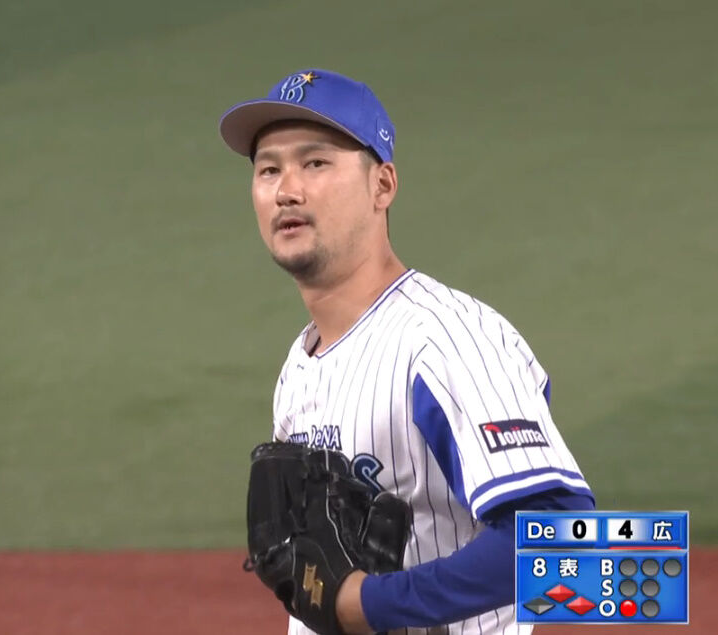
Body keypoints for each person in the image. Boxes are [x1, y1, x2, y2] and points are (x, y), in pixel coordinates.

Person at [219, 69, 596, 634]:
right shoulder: (300, 363)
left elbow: (561, 538)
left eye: (315, 163)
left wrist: (369, 603)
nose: (286, 189)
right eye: (268, 169)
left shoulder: (447, 339)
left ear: (383, 186)